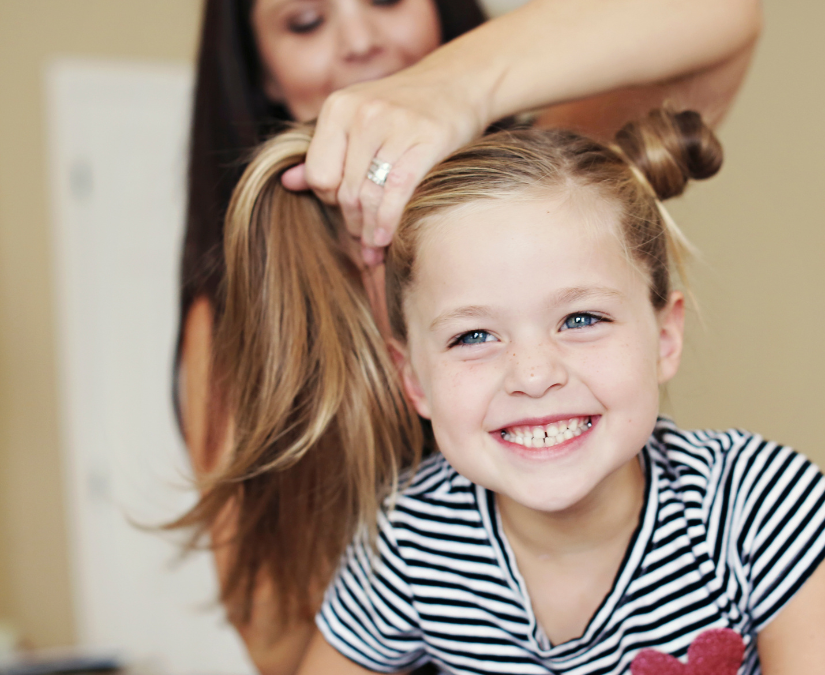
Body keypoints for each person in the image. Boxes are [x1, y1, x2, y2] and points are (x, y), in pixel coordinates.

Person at [175, 1, 760, 671]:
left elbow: (723, 16)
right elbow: (274, 641)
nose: (360, 40)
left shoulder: (547, 176)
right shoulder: (242, 318)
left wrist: (455, 83)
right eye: (305, 22)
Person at [198, 108, 825, 674]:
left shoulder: (761, 507)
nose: (532, 373)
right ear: (414, 379)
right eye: (473, 336)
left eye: (581, 319)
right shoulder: (409, 542)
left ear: (664, 336)